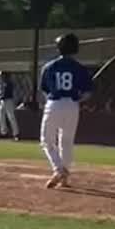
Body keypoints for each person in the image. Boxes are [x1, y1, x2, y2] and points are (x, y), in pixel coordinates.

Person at [39, 32, 94, 189]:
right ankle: (64, 178)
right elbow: (88, 93)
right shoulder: (80, 68)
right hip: (72, 105)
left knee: (47, 140)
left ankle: (59, 170)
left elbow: (44, 89)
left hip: (54, 103)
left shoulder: (49, 67)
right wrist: (77, 99)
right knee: (67, 141)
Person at [0, 70, 20, 140]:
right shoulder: (0, 84)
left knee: (11, 117)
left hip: (8, 101)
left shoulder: (8, 83)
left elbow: (6, 93)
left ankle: (16, 134)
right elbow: (0, 93)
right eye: (0, 76)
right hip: (2, 102)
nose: (0, 77)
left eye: (2, 76)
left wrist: (1, 97)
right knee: (1, 117)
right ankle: (4, 133)